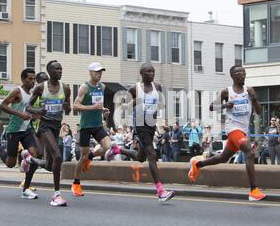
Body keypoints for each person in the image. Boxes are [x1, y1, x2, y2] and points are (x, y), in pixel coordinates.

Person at [188, 66, 267, 202]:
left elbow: (259, 112)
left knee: (224, 157)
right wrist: (225, 106)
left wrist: (254, 99)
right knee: (249, 152)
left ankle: (198, 164)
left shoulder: (249, 91)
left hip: (243, 130)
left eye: (244, 73)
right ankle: (254, 191)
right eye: (240, 73)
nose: (243, 75)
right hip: (232, 128)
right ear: (233, 76)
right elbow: (212, 107)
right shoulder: (227, 92)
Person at [108, 63, 175, 202]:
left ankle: (117, 150)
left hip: (151, 124)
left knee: (140, 157)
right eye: (148, 71)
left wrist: (161, 104)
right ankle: (160, 191)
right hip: (140, 125)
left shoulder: (157, 87)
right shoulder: (134, 89)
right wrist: (133, 103)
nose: (152, 73)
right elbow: (123, 106)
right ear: (142, 73)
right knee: (152, 154)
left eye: (153, 71)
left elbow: (161, 104)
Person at [27, 61, 71, 206]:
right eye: (56, 69)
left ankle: (31, 160)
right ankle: (56, 195)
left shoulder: (65, 88)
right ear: (49, 71)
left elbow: (69, 110)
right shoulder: (41, 88)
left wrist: (66, 107)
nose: (60, 71)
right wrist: (38, 111)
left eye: (61, 68)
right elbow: (28, 107)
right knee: (58, 156)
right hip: (45, 126)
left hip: (56, 127)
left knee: (49, 164)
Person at [71, 62, 118, 197]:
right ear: (90, 72)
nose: (100, 74)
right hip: (85, 126)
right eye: (97, 72)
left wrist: (103, 110)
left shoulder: (102, 87)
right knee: (82, 156)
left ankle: (91, 156)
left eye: (101, 72)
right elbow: (75, 106)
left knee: (107, 146)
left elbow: (98, 104)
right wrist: (92, 108)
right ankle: (76, 183)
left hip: (97, 124)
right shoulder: (84, 87)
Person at [0, 68, 44, 200]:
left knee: (35, 156)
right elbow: (2, 105)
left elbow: (29, 110)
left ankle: (26, 189)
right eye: (30, 79)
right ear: (23, 79)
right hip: (14, 130)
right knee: (10, 163)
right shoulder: (17, 91)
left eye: (34, 79)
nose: (32, 81)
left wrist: (35, 115)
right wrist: (20, 114)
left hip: (26, 129)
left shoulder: (33, 94)